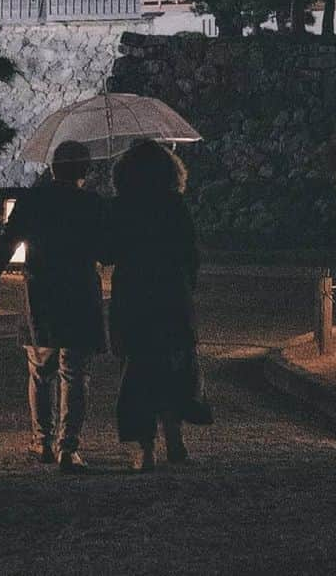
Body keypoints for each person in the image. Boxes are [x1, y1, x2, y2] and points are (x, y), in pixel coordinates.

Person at [0, 139, 106, 474]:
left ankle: (42, 441)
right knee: (75, 373)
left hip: (41, 294)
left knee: (40, 370)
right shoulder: (92, 204)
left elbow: (6, 245)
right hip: (80, 294)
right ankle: (69, 448)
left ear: (52, 167)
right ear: (84, 169)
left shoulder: (32, 201)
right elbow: (107, 253)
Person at [108, 138, 212, 472]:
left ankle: (146, 448)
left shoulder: (122, 206)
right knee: (172, 365)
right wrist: (186, 287)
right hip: (171, 294)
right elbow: (190, 254)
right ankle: (174, 437)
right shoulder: (175, 205)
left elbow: (109, 252)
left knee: (139, 368)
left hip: (134, 295)